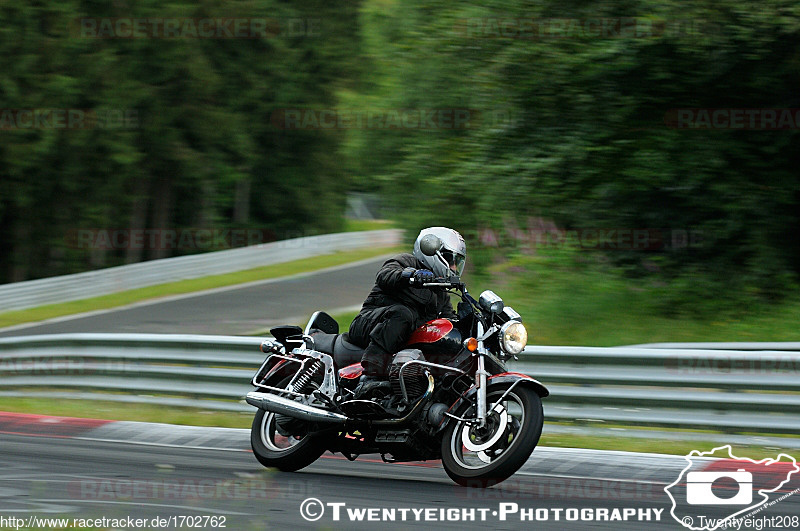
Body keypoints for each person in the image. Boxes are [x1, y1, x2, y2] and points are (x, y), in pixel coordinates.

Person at [348, 227, 467, 398]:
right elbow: (385, 274)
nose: (454, 267)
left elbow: (448, 320)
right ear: (433, 253)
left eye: (457, 262)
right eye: (450, 260)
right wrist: (410, 275)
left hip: (399, 338)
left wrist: (464, 319)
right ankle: (369, 376)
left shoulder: (440, 293)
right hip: (368, 324)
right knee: (403, 314)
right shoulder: (407, 261)